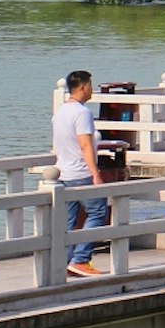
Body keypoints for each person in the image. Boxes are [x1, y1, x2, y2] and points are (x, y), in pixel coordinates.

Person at [53, 69, 110, 278]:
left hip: (63, 172)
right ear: (83, 87)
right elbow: (85, 145)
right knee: (98, 212)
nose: (92, 90)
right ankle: (81, 259)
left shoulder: (60, 112)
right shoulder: (81, 112)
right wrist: (95, 174)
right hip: (81, 171)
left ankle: (64, 261)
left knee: (68, 220)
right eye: (91, 85)